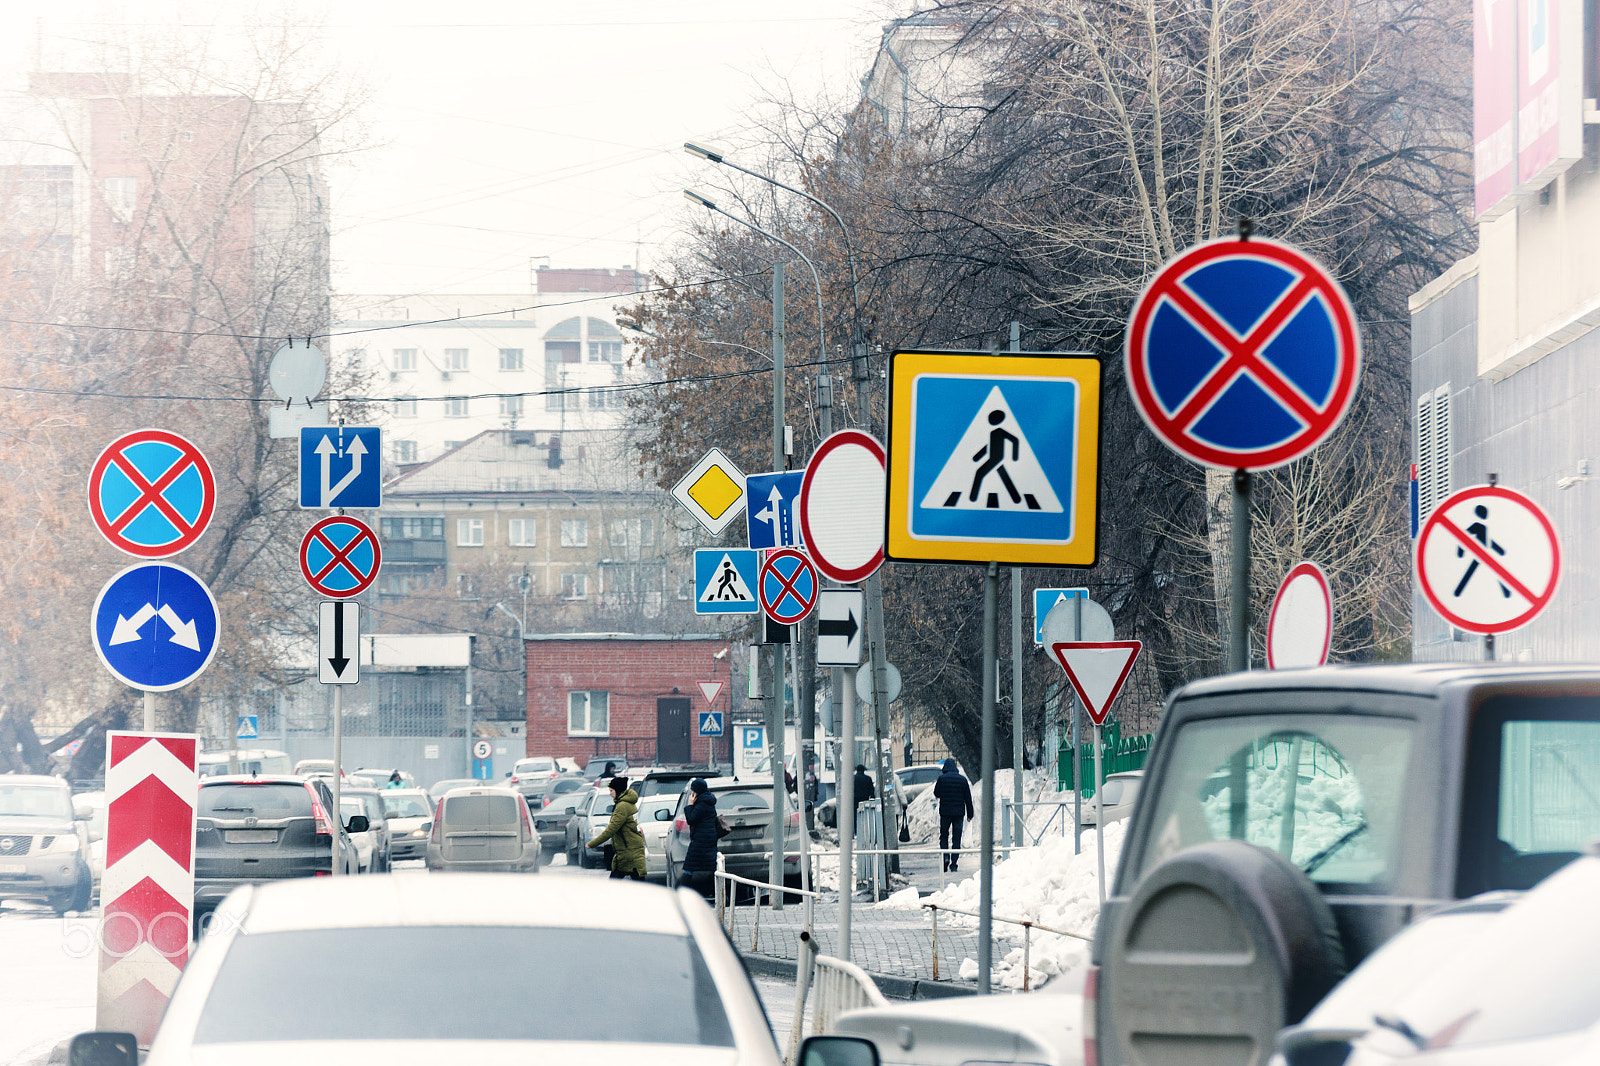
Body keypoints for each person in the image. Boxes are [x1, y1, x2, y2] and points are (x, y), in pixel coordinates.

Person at [586, 776, 646, 880]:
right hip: (628, 850)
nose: (610, 793)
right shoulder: (627, 804)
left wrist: (592, 843)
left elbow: (611, 829)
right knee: (636, 882)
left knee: (620, 883)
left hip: (629, 852)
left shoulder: (622, 806)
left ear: (618, 791)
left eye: (611, 790)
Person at [932, 758, 975, 872]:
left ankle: (945, 856)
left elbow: (936, 793)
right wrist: (970, 814)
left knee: (944, 835)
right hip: (959, 813)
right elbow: (968, 799)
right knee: (957, 837)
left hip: (945, 813)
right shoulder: (962, 780)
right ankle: (954, 863)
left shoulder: (941, 779)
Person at [681, 778, 719, 897]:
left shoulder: (702, 803)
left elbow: (691, 819)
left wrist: (690, 805)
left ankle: (682, 892)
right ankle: (713, 891)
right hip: (708, 839)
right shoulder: (708, 800)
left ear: (696, 791)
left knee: (689, 866)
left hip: (701, 840)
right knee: (711, 866)